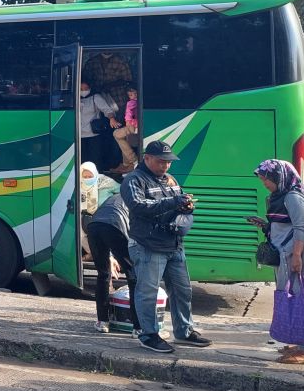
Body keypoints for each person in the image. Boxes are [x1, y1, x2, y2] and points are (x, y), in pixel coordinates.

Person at [121, 140, 211, 353]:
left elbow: (180, 204)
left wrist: (186, 207)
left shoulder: (170, 180)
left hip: (174, 245)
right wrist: (173, 203)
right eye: (161, 162)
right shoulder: (134, 180)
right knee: (148, 292)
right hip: (147, 245)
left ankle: (184, 331)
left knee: (182, 290)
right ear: (147, 158)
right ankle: (149, 334)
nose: (165, 166)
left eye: (168, 162)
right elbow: (138, 206)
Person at [249, 159, 304, 364]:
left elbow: (301, 227)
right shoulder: (277, 197)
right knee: (289, 297)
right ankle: (297, 342)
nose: (264, 183)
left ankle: (303, 348)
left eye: (267, 179)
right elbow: (282, 227)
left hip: (295, 256)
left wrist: (297, 255)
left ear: (280, 177)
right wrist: (265, 225)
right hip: (284, 254)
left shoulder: (292, 197)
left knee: (300, 298)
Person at [86, 191, 138, 333]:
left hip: (94, 226)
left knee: (103, 274)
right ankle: (138, 327)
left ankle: (102, 322)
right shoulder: (139, 196)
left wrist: (111, 255)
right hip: (116, 225)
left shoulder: (115, 195)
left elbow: (104, 219)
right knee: (133, 275)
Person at [79, 82, 120, 171]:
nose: (83, 91)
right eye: (81, 89)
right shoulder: (74, 99)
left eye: (86, 89)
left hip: (93, 135)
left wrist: (112, 118)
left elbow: (107, 110)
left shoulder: (95, 97)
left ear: (90, 88)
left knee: (95, 160)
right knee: (82, 160)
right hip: (79, 136)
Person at [113, 85, 140, 169]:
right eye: (131, 95)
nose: (134, 96)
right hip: (137, 126)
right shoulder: (141, 102)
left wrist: (128, 122)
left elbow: (128, 114)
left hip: (133, 126)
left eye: (135, 93)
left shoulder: (130, 103)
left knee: (116, 134)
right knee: (125, 140)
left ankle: (134, 160)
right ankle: (126, 165)